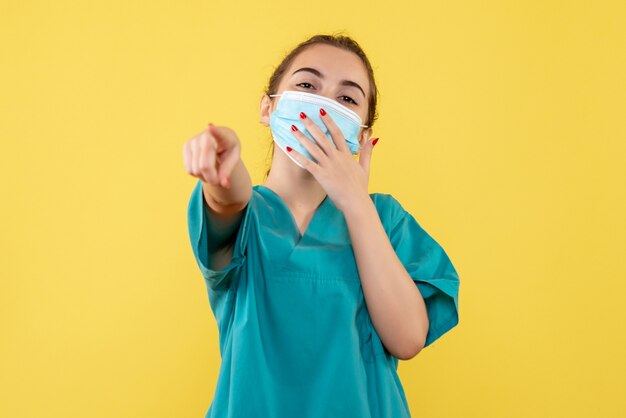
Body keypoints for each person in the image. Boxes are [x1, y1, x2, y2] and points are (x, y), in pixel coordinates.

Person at [182, 33, 460, 418]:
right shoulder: (250, 219)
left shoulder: (385, 221)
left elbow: (408, 338)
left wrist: (356, 205)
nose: (325, 104)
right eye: (308, 85)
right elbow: (228, 195)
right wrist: (221, 163)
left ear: (363, 136)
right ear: (268, 107)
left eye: (347, 98)